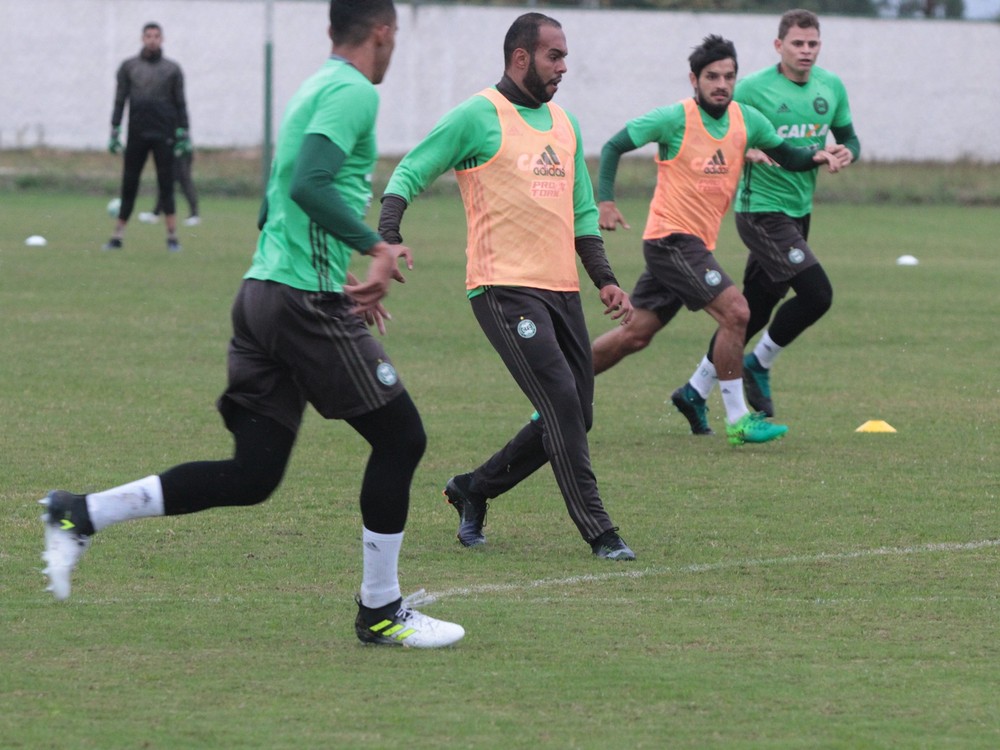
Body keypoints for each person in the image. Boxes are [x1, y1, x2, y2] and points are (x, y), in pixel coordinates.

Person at [41, 0, 464, 649]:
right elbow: (308, 185)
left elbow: (275, 205)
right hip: (298, 300)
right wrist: (374, 248)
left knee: (254, 473)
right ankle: (380, 611)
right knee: (402, 437)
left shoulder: (312, 89)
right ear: (383, 32)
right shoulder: (353, 92)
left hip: (264, 293)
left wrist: (329, 270)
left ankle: (79, 513)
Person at [377, 12, 637, 561]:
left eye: (564, 57)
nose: (563, 67)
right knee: (561, 402)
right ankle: (601, 532)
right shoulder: (479, 115)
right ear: (521, 58)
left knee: (578, 413)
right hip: (503, 288)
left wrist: (606, 280)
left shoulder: (565, 124)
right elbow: (410, 171)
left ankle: (474, 488)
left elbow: (583, 214)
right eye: (554, 56)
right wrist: (389, 235)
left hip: (562, 289)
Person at [590, 34, 849, 445]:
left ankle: (559, 393)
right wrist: (605, 201)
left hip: (692, 245)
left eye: (729, 76)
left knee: (635, 335)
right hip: (670, 240)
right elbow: (614, 145)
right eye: (712, 76)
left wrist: (816, 156)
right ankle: (738, 418)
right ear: (694, 79)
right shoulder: (674, 118)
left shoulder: (747, 120)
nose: (722, 84)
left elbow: (788, 155)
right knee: (737, 312)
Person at [684, 9, 860, 419]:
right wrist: (744, 149)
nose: (806, 51)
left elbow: (849, 136)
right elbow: (711, 130)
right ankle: (758, 362)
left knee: (754, 309)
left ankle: (695, 389)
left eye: (812, 43)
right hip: (760, 211)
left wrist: (847, 150)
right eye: (797, 43)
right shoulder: (751, 88)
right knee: (817, 294)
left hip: (799, 211)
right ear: (779, 46)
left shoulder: (831, 86)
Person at [104, 22, 189, 253]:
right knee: (129, 184)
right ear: (142, 38)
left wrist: (184, 131)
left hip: (164, 134)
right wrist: (114, 128)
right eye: (148, 36)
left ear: (162, 39)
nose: (152, 39)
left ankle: (172, 237)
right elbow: (120, 100)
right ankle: (117, 236)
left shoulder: (172, 69)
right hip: (137, 133)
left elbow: (180, 103)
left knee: (166, 185)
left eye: (156, 36)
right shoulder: (129, 67)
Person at [139, 147, 200, 227]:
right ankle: (156, 213)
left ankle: (194, 214)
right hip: (177, 152)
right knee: (168, 182)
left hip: (180, 152)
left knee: (183, 182)